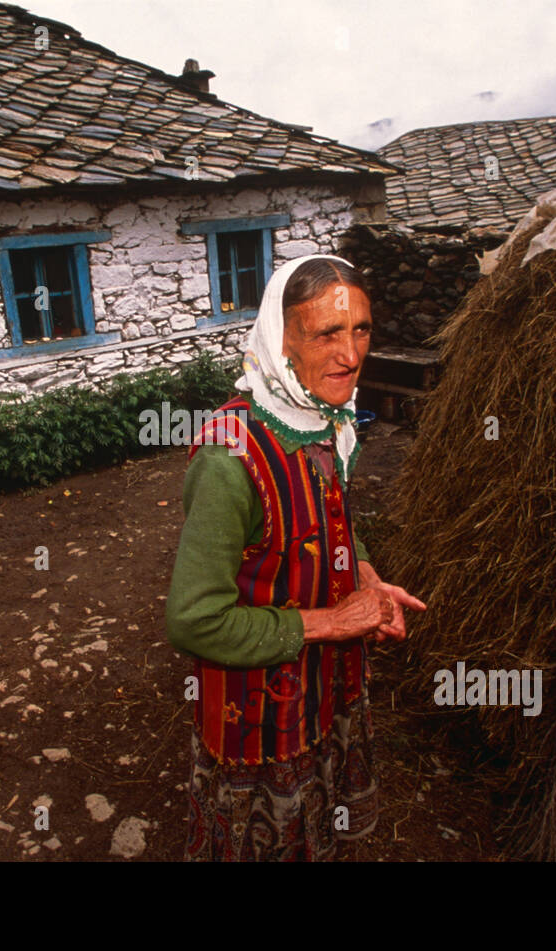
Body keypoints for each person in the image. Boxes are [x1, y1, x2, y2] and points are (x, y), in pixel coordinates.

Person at [166, 253, 426, 861]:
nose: (351, 354)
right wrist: (336, 621)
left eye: (361, 329)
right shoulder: (229, 459)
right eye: (327, 333)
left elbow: (328, 516)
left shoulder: (323, 420)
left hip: (325, 690)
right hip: (258, 712)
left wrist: (364, 572)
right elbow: (192, 620)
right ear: (280, 341)